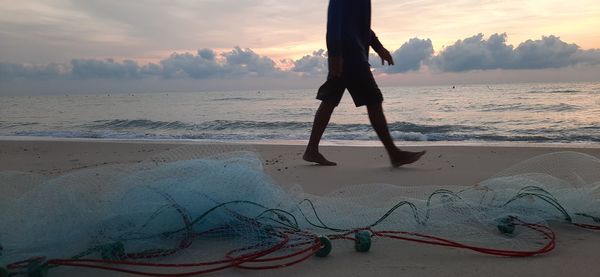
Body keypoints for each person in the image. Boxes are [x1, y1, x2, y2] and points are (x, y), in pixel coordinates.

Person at [303, 0, 426, 167]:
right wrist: (335, 54)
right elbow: (333, 20)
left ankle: (311, 150)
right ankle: (394, 154)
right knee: (374, 100)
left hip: (350, 52)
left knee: (330, 100)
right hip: (350, 54)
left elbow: (361, 25)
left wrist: (378, 47)